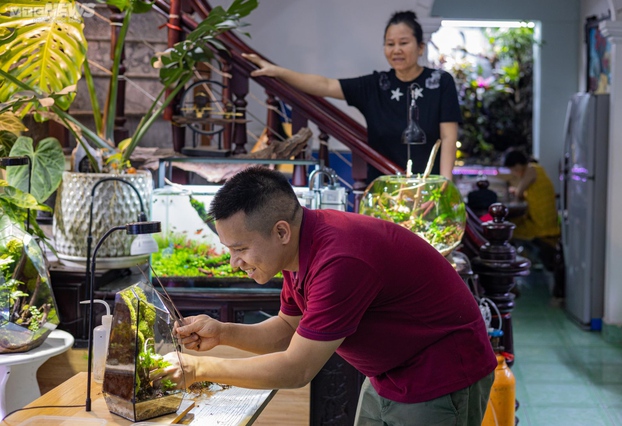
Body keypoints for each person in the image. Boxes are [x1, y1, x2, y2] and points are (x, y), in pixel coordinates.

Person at [163, 166, 496, 425]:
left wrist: (199, 369)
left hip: (439, 375)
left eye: (241, 249)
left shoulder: (339, 259)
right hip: (388, 374)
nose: (236, 263)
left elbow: (297, 369)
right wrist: (221, 332)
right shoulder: (298, 250)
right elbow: (285, 331)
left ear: (281, 231)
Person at [242, 10, 462, 183]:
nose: (396, 50)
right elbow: (324, 84)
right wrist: (277, 71)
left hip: (429, 187)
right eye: (390, 44)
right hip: (384, 188)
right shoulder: (375, 85)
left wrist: (443, 185)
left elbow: (449, 137)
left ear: (420, 47)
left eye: (403, 43)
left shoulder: (441, 82)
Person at [502, 148, 560, 241]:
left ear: (517, 165)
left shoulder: (530, 170)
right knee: (512, 223)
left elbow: (519, 192)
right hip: (548, 222)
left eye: (512, 170)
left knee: (506, 228)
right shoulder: (537, 168)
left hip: (541, 225)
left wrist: (515, 191)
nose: (513, 173)